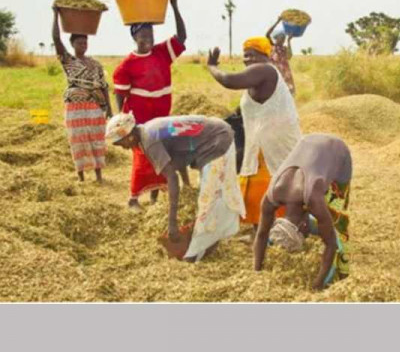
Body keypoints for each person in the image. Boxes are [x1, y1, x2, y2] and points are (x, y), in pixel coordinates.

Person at [105, 112, 245, 262]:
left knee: (209, 200)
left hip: (216, 141)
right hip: (215, 134)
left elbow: (172, 177)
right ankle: (207, 242)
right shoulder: (147, 131)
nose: (123, 148)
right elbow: (177, 154)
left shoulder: (150, 141)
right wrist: (187, 185)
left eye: (121, 143)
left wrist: (172, 223)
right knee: (210, 195)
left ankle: (197, 251)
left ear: (129, 136)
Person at [206, 38, 302, 234]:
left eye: (252, 54)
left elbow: (229, 80)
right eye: (245, 55)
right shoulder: (259, 76)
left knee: (272, 186)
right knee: (259, 189)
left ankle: (279, 232)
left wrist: (211, 67)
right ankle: (260, 233)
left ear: (265, 55)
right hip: (262, 143)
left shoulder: (265, 70)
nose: (247, 59)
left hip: (274, 143)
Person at [112, 0, 189, 211]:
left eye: (150, 36)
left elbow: (182, 37)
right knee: (143, 159)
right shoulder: (127, 64)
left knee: (162, 156)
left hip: (161, 117)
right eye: (143, 36)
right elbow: (120, 93)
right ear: (134, 37)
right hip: (141, 120)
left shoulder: (161, 53)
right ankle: (134, 199)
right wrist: (123, 120)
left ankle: (155, 199)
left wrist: (174, 6)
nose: (147, 40)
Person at [254, 134, 352, 290]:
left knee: (338, 222)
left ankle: (343, 272)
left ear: (303, 224)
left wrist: (318, 284)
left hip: (336, 151)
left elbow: (331, 243)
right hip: (308, 142)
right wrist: (257, 272)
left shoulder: (313, 198)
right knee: (324, 218)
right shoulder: (271, 196)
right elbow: (262, 234)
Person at [52, 6, 112, 183]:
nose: (83, 46)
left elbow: (104, 87)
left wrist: (109, 108)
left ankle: (99, 176)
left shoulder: (95, 64)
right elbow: (56, 38)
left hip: (94, 107)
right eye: (79, 43)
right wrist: (55, 15)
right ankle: (81, 177)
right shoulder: (69, 61)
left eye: (85, 43)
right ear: (72, 44)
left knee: (96, 139)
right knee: (78, 141)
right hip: (75, 107)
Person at [266, 16, 295, 96]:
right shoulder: (272, 46)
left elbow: (289, 56)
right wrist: (277, 21)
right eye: (281, 37)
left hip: (285, 75)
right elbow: (267, 34)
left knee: (286, 94)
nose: (283, 39)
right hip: (274, 74)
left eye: (284, 38)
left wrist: (289, 41)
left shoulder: (284, 49)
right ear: (276, 38)